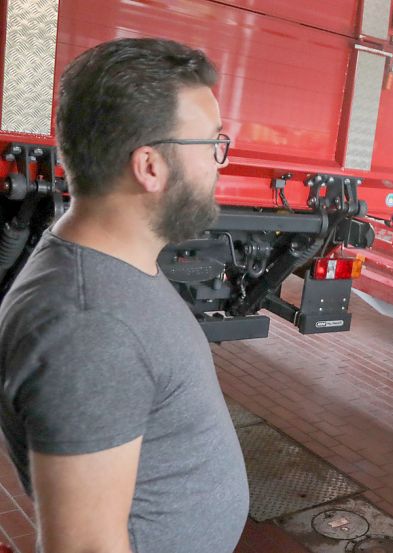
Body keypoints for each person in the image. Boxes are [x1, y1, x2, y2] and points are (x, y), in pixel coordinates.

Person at [0, 38, 248, 552]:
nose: (219, 163)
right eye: (211, 143)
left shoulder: (120, 271)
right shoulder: (89, 326)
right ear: (150, 166)